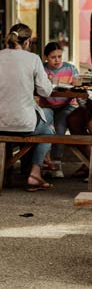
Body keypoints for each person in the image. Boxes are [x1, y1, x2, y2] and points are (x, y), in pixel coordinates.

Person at [0, 24, 55, 191]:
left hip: (1, 122)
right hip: (23, 124)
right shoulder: (33, 59)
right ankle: (34, 172)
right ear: (28, 42)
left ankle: (20, 169)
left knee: (44, 122)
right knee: (49, 124)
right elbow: (45, 91)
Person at [38, 42, 79, 178]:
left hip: (66, 105)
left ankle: (57, 162)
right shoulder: (42, 70)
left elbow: (77, 88)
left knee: (60, 127)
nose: (57, 60)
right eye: (53, 57)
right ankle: (44, 162)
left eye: (59, 56)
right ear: (46, 57)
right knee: (45, 128)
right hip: (47, 105)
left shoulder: (70, 69)